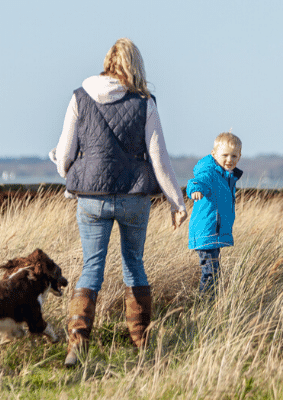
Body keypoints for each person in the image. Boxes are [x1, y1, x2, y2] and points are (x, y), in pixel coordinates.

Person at [49, 38, 187, 367]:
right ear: (135, 66)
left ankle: (76, 348)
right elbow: (159, 158)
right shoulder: (145, 102)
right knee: (134, 266)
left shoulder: (79, 97)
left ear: (108, 62)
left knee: (91, 269)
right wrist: (176, 201)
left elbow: (64, 153)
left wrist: (74, 172)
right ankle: (142, 347)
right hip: (134, 195)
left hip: (91, 198)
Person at [187, 132, 243, 296]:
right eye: (224, 155)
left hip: (214, 232)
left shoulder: (227, 176)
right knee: (210, 273)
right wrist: (196, 189)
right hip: (207, 231)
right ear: (214, 154)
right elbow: (197, 181)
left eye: (234, 156)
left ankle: (209, 302)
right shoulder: (210, 172)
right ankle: (205, 305)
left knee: (213, 271)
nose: (229, 160)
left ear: (239, 156)